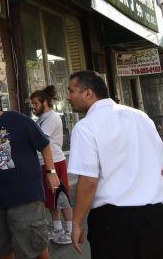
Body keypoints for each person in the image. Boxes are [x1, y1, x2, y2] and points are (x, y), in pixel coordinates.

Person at [66, 70, 163, 258]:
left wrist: (76, 223)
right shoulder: (140, 116)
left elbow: (88, 180)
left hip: (113, 221)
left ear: (88, 93)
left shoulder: (86, 126)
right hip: (155, 216)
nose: (68, 97)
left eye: (71, 91)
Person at [0, 89, 59, 259]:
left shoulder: (18, 120)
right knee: (1, 246)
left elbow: (44, 145)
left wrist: (51, 172)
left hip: (24, 196)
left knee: (34, 243)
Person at [30, 85, 74, 245]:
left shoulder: (52, 117)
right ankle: (58, 228)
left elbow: (40, 140)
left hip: (55, 162)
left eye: (35, 103)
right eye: (32, 103)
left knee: (61, 196)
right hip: (44, 163)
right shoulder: (42, 118)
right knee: (50, 199)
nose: (33, 107)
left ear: (45, 102)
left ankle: (71, 231)